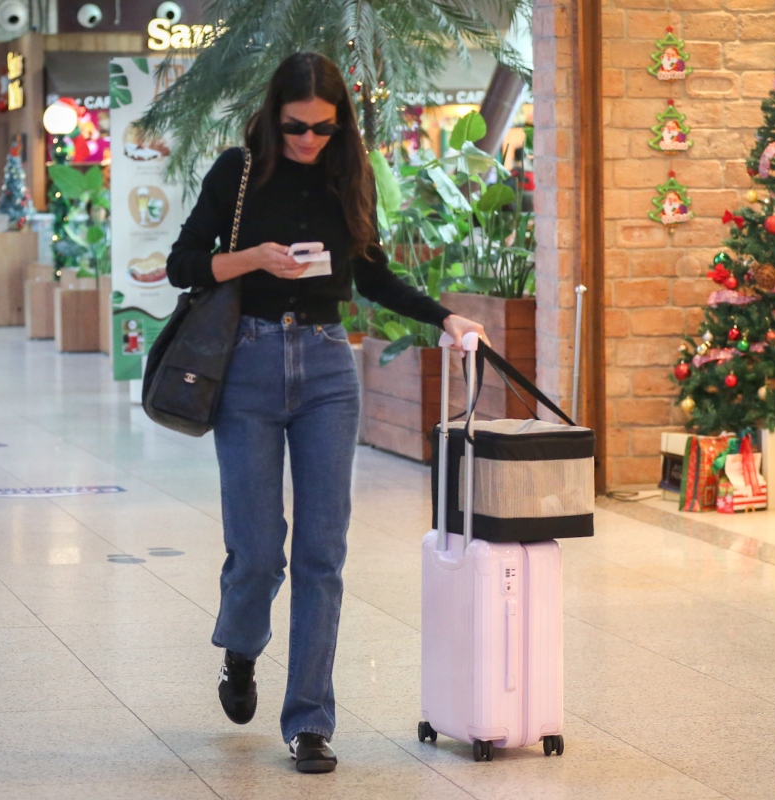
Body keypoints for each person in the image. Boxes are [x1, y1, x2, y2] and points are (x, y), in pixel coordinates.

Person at [166, 52, 486, 774]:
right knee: (256, 550)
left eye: (321, 129)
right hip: (245, 365)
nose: (307, 141)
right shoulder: (238, 173)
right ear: (272, 114)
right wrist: (253, 259)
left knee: (322, 555)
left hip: (326, 369)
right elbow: (183, 263)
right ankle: (241, 651)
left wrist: (446, 319)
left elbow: (370, 271)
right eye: (294, 128)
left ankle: (310, 722)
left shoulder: (349, 175)